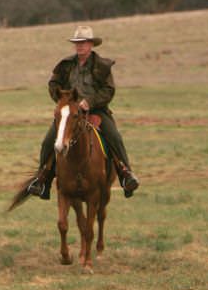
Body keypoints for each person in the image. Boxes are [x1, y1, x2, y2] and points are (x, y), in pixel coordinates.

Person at [24, 24, 140, 200]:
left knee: (114, 136)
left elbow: (108, 90)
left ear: (91, 44)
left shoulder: (102, 66)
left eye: (84, 42)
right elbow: (53, 84)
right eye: (77, 42)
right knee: (49, 141)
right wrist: (64, 102)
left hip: (96, 111)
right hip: (70, 113)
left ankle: (126, 174)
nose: (80, 46)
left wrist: (90, 102)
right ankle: (42, 179)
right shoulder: (65, 65)